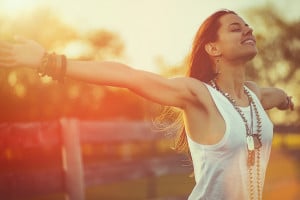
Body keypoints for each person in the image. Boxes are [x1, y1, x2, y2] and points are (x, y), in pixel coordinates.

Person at [0, 9, 294, 200]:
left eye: (247, 27)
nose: (248, 30)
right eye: (235, 28)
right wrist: (47, 61)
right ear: (213, 48)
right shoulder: (198, 95)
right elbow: (127, 76)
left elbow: (277, 95)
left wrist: (287, 101)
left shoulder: (255, 96)